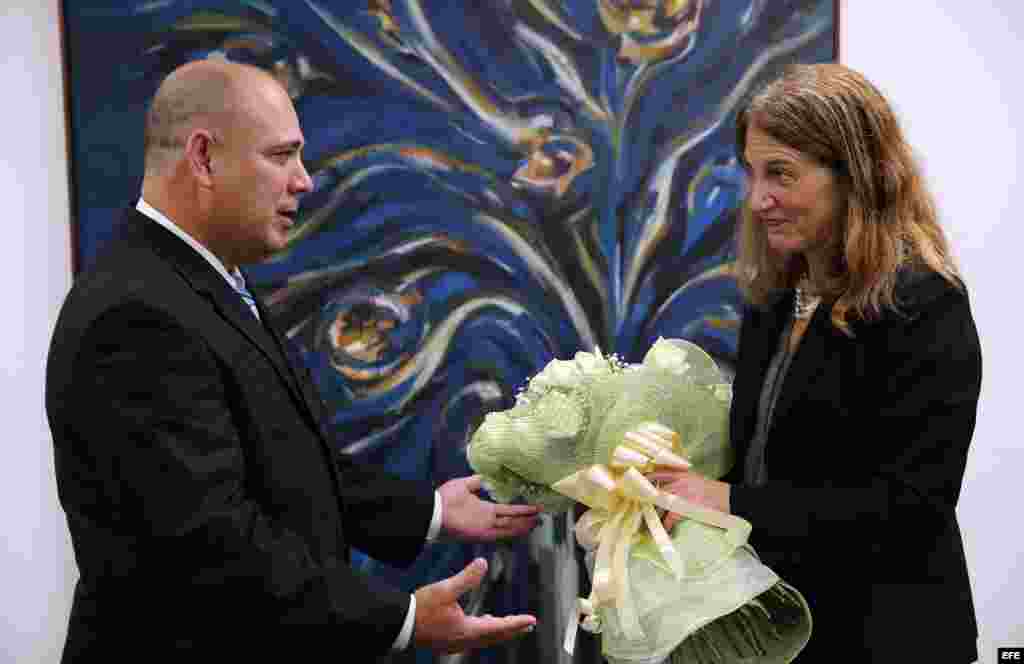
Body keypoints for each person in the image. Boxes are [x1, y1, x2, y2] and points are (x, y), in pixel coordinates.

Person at [45, 59, 541, 660]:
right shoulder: (136, 315)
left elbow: (288, 463)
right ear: (203, 158)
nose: (304, 181)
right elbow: (210, 542)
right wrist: (401, 618)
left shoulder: (206, 280)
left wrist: (430, 512)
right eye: (281, 156)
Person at [648, 63, 981, 663]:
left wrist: (726, 502)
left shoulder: (925, 302)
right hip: (783, 632)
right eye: (752, 173)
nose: (758, 199)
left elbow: (909, 508)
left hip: (888, 637)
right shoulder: (778, 297)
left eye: (781, 174)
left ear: (855, 176)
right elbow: (768, 466)